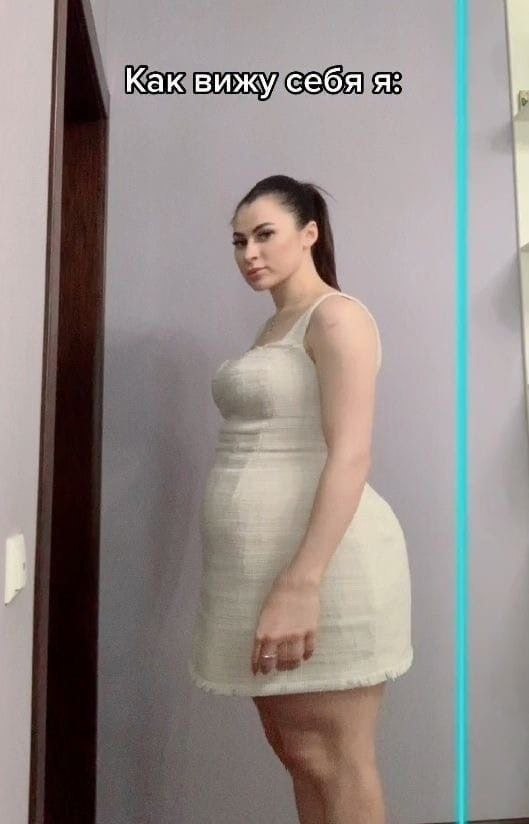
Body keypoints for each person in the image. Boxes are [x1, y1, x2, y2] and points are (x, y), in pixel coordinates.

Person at [188, 174, 413, 823]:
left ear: (309, 233)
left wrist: (301, 582)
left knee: (336, 757)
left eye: (264, 234)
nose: (249, 253)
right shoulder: (273, 329)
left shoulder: (337, 317)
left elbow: (351, 454)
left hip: (321, 567)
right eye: (238, 241)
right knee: (301, 753)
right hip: (260, 568)